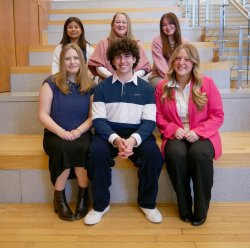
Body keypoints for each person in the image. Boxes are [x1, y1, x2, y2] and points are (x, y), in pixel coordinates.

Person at [84, 37, 164, 225]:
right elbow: (98, 120)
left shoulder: (146, 89)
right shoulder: (102, 88)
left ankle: (148, 203)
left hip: (137, 133)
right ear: (111, 60)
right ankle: (100, 205)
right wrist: (116, 139)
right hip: (109, 133)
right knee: (96, 154)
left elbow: (150, 121)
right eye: (118, 57)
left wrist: (133, 140)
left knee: (153, 155)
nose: (123, 61)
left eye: (127, 56)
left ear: (135, 59)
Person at [155, 43, 224, 226]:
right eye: (178, 58)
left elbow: (217, 116)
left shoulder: (207, 83)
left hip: (201, 133)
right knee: (175, 154)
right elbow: (158, 116)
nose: (181, 62)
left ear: (194, 62)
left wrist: (198, 132)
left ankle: (201, 209)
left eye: (187, 59)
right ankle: (184, 205)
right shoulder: (162, 86)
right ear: (172, 62)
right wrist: (172, 129)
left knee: (199, 154)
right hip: (176, 132)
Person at [39, 43, 95, 221]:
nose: (72, 62)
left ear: (82, 60)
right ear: (62, 61)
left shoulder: (90, 85)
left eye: (76, 58)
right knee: (62, 148)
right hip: (55, 134)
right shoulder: (51, 83)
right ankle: (59, 198)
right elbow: (43, 115)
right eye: (68, 58)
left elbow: (93, 117)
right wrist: (62, 132)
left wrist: (78, 131)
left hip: (82, 132)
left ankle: (83, 197)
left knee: (83, 147)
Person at [88, 12, 151, 81]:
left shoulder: (136, 44)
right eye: (118, 22)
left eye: (124, 22)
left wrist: (130, 78)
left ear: (128, 25)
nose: (121, 25)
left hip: (132, 82)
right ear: (112, 25)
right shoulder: (103, 43)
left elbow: (143, 68)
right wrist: (113, 78)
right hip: (107, 81)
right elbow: (98, 67)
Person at [149, 12, 189, 87]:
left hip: (180, 76)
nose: (167, 27)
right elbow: (161, 66)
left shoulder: (185, 42)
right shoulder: (157, 41)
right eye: (164, 25)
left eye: (170, 23)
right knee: (168, 87)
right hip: (159, 76)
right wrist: (174, 81)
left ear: (176, 24)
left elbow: (189, 63)